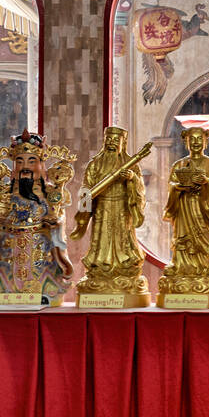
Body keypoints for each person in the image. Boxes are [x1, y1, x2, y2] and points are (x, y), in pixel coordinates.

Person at [0, 132, 75, 305]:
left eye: (32, 161)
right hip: (9, 248)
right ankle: (5, 290)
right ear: (13, 166)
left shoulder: (51, 193)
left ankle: (46, 290)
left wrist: (56, 223)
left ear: (41, 165)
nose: (26, 167)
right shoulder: (4, 193)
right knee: (6, 276)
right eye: (20, 161)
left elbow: (59, 215)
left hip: (40, 247)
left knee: (42, 275)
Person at [158, 126, 209, 306]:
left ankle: (204, 267)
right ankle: (182, 268)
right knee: (183, 240)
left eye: (199, 139)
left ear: (206, 141)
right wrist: (179, 187)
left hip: (203, 209)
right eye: (192, 139)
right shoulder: (178, 165)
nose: (195, 142)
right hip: (183, 207)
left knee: (203, 239)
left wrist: (206, 183)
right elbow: (171, 186)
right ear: (186, 142)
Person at [73, 127, 151, 307]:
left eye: (117, 140)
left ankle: (124, 264)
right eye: (109, 139)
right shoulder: (95, 164)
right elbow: (86, 188)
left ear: (123, 143)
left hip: (122, 208)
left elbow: (140, 189)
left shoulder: (131, 163)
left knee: (122, 238)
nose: (112, 143)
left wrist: (132, 178)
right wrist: (86, 200)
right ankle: (100, 265)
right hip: (102, 207)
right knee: (102, 240)